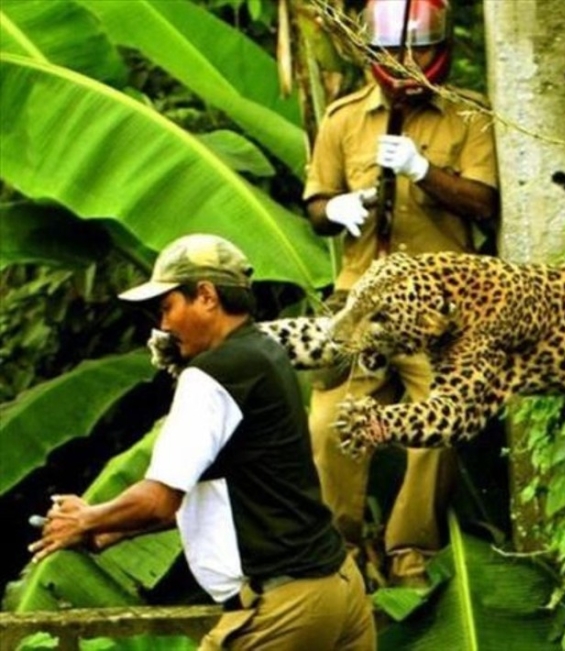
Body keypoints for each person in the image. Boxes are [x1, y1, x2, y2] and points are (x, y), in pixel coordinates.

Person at [28, 234, 376, 651]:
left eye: (168, 307)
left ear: (207, 296)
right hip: (340, 589)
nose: (164, 326)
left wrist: (85, 520)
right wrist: (111, 530)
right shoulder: (266, 353)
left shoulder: (212, 375)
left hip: (287, 607)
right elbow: (231, 497)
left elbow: (158, 498)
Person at [303, 0, 499, 587]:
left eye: (416, 50)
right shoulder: (342, 120)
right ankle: (342, 552)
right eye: (393, 51)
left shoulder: (468, 117)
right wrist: (334, 208)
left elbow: (483, 202)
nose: (405, 61)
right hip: (358, 299)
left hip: (440, 304)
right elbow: (316, 205)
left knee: (439, 418)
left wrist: (423, 173)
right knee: (329, 424)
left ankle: (409, 552)